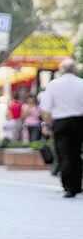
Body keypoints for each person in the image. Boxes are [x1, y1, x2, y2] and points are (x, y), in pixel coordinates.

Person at [40, 58, 83, 198]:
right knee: (76, 153)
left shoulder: (54, 85)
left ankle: (68, 186)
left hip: (61, 122)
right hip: (79, 121)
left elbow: (46, 109)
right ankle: (77, 185)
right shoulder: (81, 83)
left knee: (64, 154)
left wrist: (45, 125)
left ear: (61, 70)